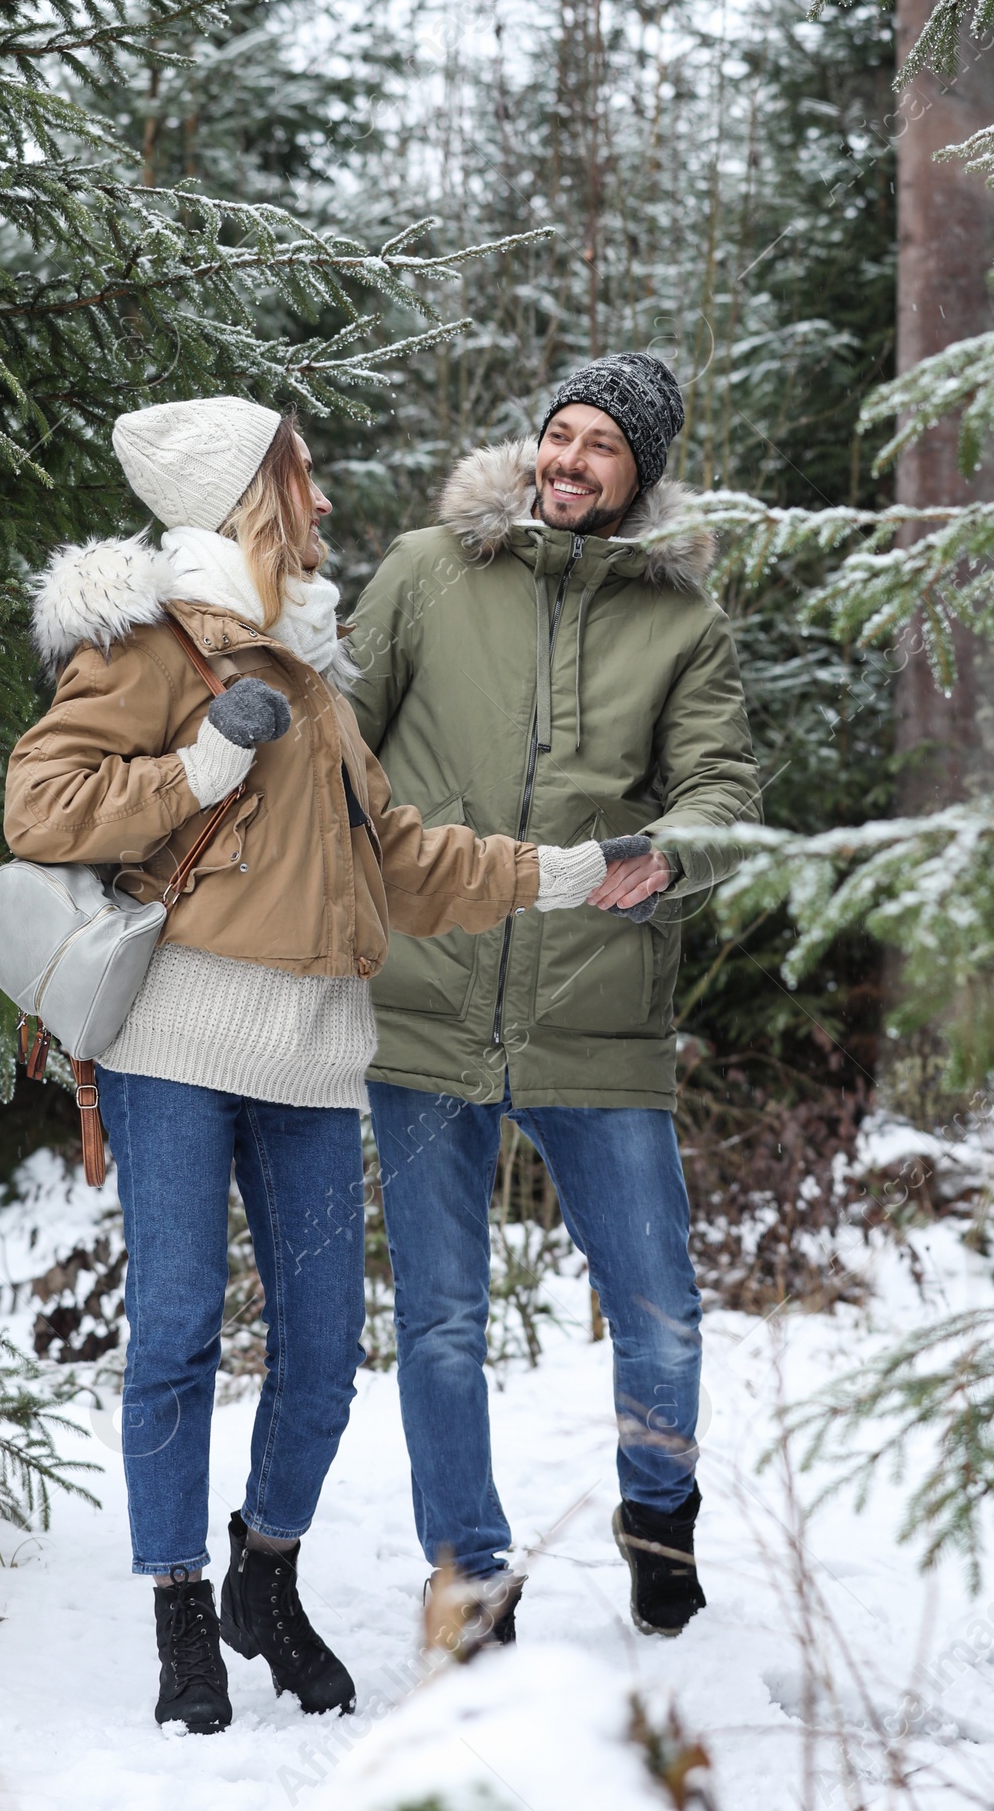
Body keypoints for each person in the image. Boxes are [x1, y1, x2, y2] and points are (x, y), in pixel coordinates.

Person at [3, 397, 640, 1733]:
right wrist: (203, 757)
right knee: (175, 1333)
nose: (330, 505)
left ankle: (264, 1572)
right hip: (173, 1042)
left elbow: (404, 861)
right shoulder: (157, 643)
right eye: (306, 480)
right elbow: (41, 802)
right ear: (252, 495)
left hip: (311, 1061)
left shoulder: (319, 673)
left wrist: (572, 872)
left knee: (323, 1351)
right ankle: (181, 1615)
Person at [347, 352, 759, 1645]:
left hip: (599, 1011)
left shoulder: (680, 621)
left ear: (638, 476)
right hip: (424, 999)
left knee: (660, 1314)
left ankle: (656, 1515)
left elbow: (722, 791)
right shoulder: (426, 571)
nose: (571, 460)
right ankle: (468, 1572)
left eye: (603, 446)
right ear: (534, 446)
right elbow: (337, 740)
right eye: (559, 434)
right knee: (442, 1320)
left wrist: (672, 848)